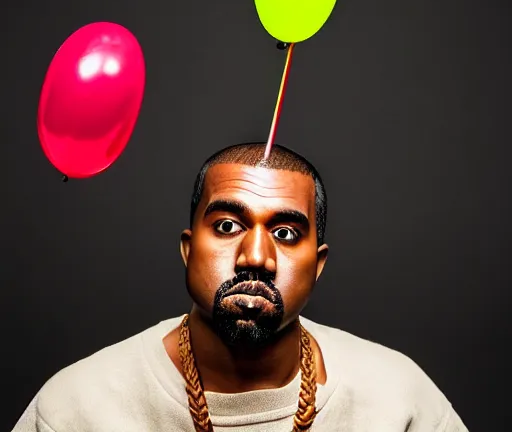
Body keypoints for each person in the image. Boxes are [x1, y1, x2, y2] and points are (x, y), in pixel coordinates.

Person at [13, 143, 468, 431]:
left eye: (286, 233)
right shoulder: (78, 407)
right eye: (228, 225)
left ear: (318, 265)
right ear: (189, 250)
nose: (255, 256)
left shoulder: (399, 399)